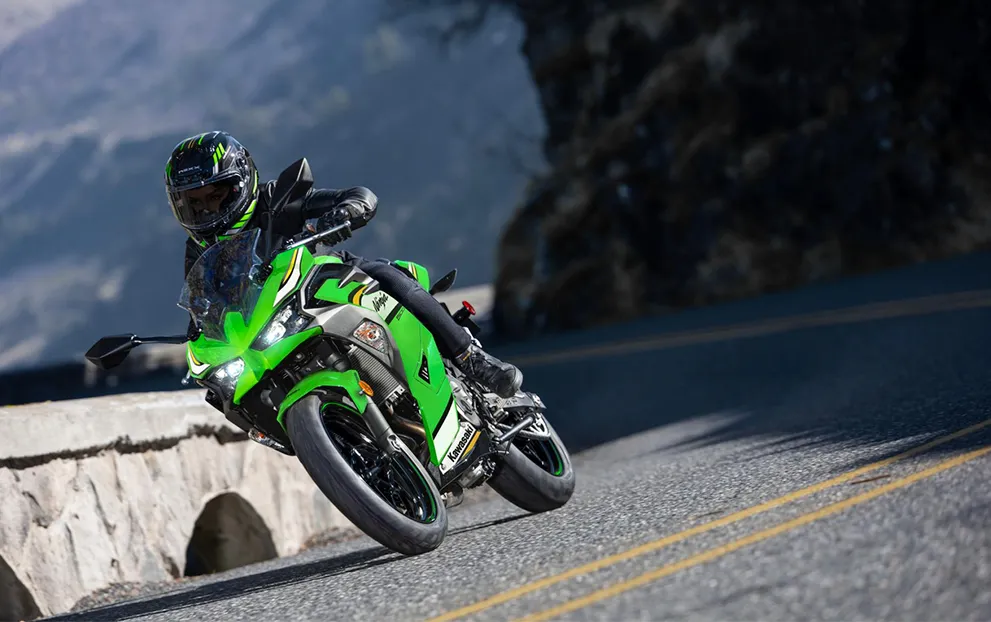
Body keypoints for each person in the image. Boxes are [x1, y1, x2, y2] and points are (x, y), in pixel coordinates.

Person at [165, 130, 523, 398]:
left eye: (216, 195)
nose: (207, 209)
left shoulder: (275, 198)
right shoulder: (197, 251)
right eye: (194, 203)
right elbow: (203, 302)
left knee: (385, 275)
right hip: (270, 327)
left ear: (242, 182)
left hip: (327, 282)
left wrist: (346, 211)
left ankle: (471, 358)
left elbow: (356, 196)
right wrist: (201, 327)